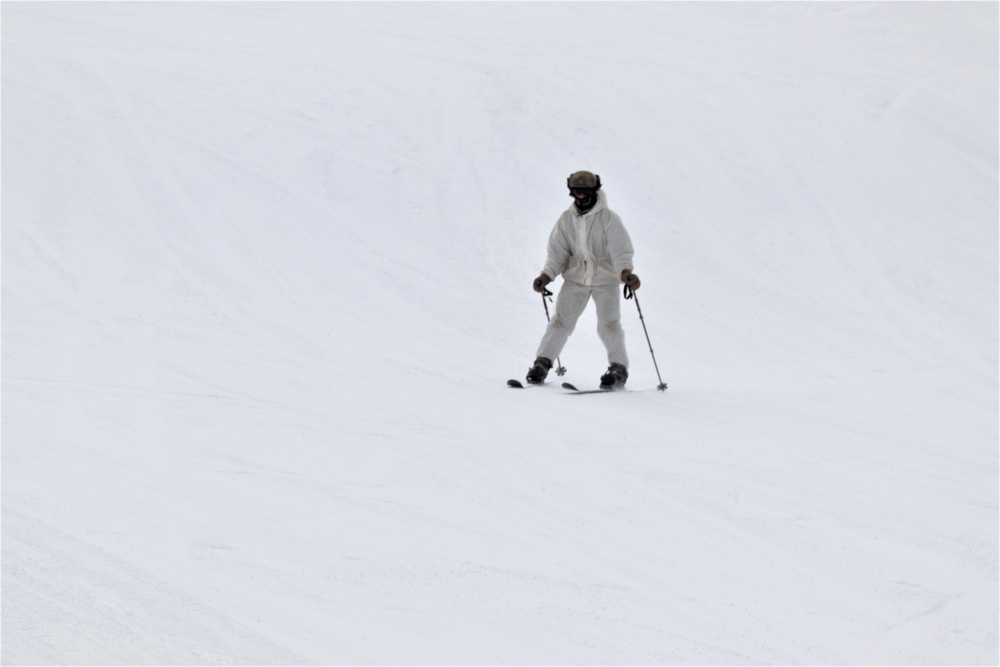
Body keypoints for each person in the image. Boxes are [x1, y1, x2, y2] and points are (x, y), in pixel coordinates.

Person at [526, 171, 641, 389]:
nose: (580, 197)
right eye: (575, 193)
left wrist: (625, 272)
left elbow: (621, 251)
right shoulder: (566, 220)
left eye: (585, 193)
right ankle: (542, 363)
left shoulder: (608, 219)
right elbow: (557, 253)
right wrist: (546, 275)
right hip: (576, 279)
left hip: (605, 279)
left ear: (595, 192)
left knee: (609, 324)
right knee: (560, 321)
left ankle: (618, 368)